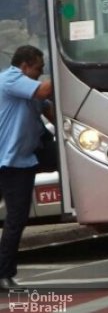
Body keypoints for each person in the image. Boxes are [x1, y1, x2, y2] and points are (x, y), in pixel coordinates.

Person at [0, 45, 53, 289]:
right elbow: (44, 92)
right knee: (15, 219)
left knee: (17, 218)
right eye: (38, 69)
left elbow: (49, 110)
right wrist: (68, 71)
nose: (40, 75)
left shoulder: (30, 90)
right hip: (9, 163)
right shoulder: (11, 79)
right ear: (24, 66)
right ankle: (3, 273)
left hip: (26, 157)